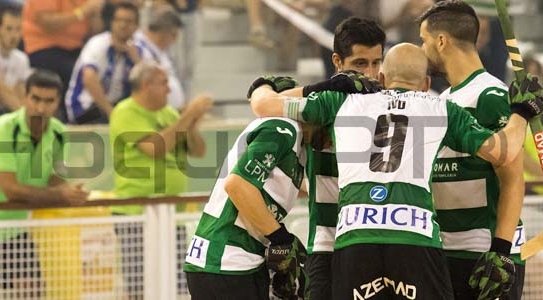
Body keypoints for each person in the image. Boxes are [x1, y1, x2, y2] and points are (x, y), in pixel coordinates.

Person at [249, 42, 541, 299]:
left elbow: (263, 105)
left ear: (382, 78)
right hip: (415, 239)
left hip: (355, 239)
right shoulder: (441, 108)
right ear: (426, 83)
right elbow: (503, 151)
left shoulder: (341, 101)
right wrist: (522, 110)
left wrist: (265, 84)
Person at [0, 70, 89, 298]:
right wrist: (62, 196)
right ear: (25, 97)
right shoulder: (3, 128)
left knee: (31, 290)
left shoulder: (60, 134)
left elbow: (56, 181)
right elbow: (11, 190)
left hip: (13, 226)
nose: (41, 108)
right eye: (36, 99)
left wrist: (73, 191)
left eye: (48, 101)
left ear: (57, 102)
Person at [418, 1, 525, 298]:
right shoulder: (445, 98)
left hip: (485, 253)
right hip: (448, 249)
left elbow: (513, 177)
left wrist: (501, 251)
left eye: (423, 41)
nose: (421, 49)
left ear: (441, 41)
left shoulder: (490, 95)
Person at [183, 78, 308, 300]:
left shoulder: (273, 132)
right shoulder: (282, 128)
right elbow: (238, 185)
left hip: (218, 261)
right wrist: (281, 238)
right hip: (228, 262)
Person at [110, 60, 211, 298]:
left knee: (175, 284)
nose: (169, 89)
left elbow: (198, 151)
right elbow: (155, 148)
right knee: (139, 285)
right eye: (164, 83)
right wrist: (188, 115)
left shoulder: (168, 113)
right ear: (146, 85)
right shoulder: (125, 112)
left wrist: (192, 124)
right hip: (137, 213)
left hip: (171, 215)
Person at [304, 16, 386, 300]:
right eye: (360, 64)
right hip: (327, 243)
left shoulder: (389, 104)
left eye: (377, 62)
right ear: (337, 61)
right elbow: (266, 104)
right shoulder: (322, 103)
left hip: (374, 239)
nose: (371, 73)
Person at [22, 0, 105, 121]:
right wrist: (83, 11)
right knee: (73, 74)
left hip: (76, 48)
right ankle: (71, 121)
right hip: (43, 46)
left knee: (96, 72)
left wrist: (95, 14)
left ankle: (93, 119)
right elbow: (48, 24)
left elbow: (96, 30)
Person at [65, 2, 142, 124]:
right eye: (118, 20)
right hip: (85, 108)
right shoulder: (98, 44)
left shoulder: (138, 49)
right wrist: (111, 112)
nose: (122, 25)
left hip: (117, 107)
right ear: (112, 23)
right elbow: (89, 78)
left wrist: (137, 60)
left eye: (128, 21)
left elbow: (151, 81)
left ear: (137, 26)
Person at [134, 5, 186, 110]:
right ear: (164, 32)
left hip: (167, 111)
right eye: (174, 34)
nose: (175, 40)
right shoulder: (138, 48)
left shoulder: (160, 52)